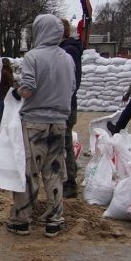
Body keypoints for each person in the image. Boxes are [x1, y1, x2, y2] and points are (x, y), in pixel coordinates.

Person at [6, 13, 75, 239]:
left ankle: (21, 220)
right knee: (54, 171)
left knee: (30, 172)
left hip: (35, 122)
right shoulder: (67, 58)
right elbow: (72, 88)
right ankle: (55, 220)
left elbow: (28, 89)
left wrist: (15, 93)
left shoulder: (33, 56)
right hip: (59, 122)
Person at [59, 18, 84, 198]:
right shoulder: (66, 49)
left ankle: (70, 183)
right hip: (63, 104)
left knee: (65, 143)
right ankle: (67, 176)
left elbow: (72, 82)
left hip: (65, 106)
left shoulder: (68, 51)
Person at [0, 58, 15, 130]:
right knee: (5, 113)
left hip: (2, 95)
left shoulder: (2, 72)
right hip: (7, 95)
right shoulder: (8, 72)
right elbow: (11, 84)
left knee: (0, 113)